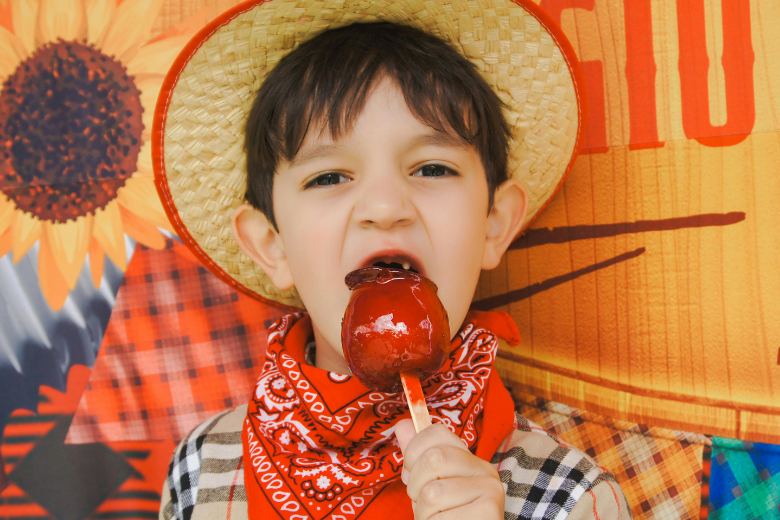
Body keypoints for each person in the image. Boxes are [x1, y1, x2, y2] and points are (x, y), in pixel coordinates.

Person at [154, 2, 631, 519]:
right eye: (329, 177)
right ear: (272, 244)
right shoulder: (203, 469)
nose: (385, 208)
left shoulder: (568, 497)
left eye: (431, 167)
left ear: (494, 223)